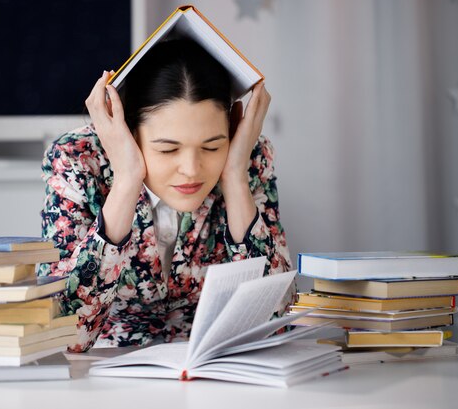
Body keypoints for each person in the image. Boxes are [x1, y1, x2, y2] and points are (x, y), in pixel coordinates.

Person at [39, 39, 293, 352]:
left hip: (216, 369)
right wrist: (126, 180)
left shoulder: (248, 158)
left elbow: (278, 317)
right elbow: (61, 335)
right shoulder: (78, 161)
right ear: (131, 133)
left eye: (212, 147)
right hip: (103, 373)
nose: (191, 169)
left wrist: (235, 178)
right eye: (168, 149)